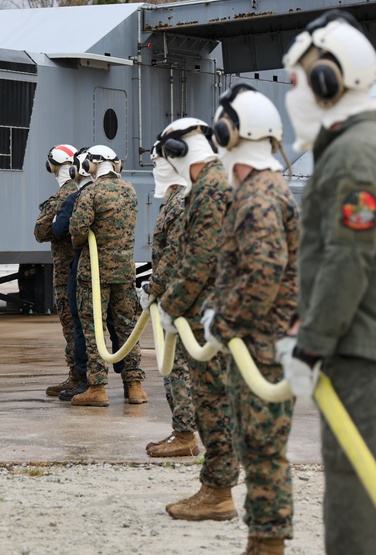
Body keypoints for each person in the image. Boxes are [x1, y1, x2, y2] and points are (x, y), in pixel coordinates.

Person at [279, 9, 376, 555]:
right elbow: (328, 259)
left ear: (328, 83)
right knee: (355, 496)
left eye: (297, 82)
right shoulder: (344, 151)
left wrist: (313, 342)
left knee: (358, 515)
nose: (291, 95)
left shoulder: (359, 154)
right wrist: (307, 323)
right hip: (364, 350)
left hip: (375, 356)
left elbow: (349, 258)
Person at [203, 85, 299, 555]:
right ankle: (262, 541)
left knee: (262, 451)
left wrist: (222, 322)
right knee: (258, 448)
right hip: (259, 343)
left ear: (230, 134)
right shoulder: (260, 190)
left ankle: (267, 545)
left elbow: (262, 274)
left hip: (262, 345)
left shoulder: (258, 197)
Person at [155, 118, 238, 521]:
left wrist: (170, 305)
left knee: (214, 404)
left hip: (214, 313)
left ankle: (218, 492)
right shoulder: (216, 183)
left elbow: (200, 259)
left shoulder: (209, 189)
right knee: (217, 403)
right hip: (217, 310)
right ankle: (218, 487)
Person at [68, 145, 146, 407]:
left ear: (91, 165)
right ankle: (134, 386)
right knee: (126, 327)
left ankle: (97, 388)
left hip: (94, 273)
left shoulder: (91, 192)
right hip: (125, 271)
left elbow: (78, 229)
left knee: (93, 329)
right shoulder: (130, 190)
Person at [139, 140, 199, 457]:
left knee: (178, 368)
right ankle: (183, 431)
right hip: (174, 296)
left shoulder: (180, 203)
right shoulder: (176, 199)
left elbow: (174, 256)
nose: (153, 168)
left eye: (156, 162)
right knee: (176, 366)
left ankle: (186, 434)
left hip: (178, 298)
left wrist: (154, 287)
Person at [33, 144, 81, 397]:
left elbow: (40, 232)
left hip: (66, 272)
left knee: (71, 324)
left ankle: (78, 378)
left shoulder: (63, 197)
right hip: (87, 269)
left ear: (52, 165)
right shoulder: (86, 191)